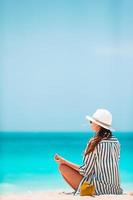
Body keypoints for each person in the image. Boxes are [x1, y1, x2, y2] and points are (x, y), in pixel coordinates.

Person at [54, 109, 123, 195]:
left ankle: (81, 191)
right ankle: (80, 190)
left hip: (96, 190)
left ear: (98, 124)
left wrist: (64, 161)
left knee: (62, 167)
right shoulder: (116, 142)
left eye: (91, 121)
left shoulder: (94, 142)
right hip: (115, 190)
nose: (90, 124)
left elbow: (85, 171)